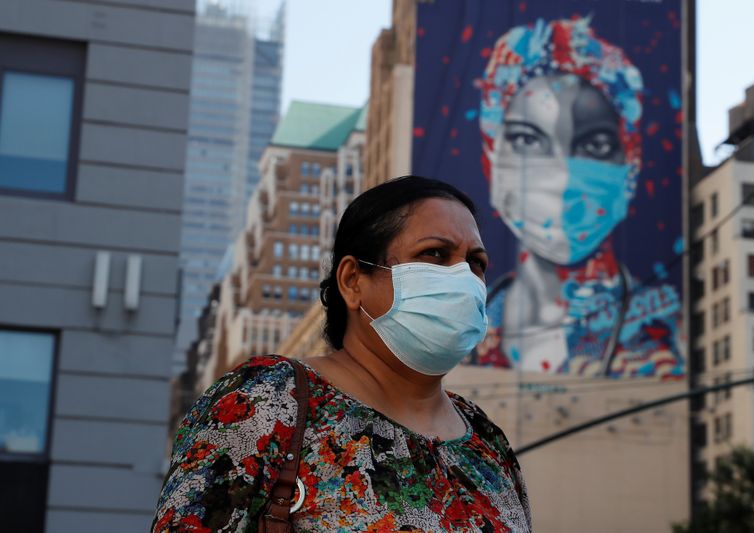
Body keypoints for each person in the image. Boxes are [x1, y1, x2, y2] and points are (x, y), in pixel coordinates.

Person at [152, 176, 533, 532]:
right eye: (435, 254)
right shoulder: (267, 400)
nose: (464, 279)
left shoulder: (486, 442)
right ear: (353, 281)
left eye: (476, 264)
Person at [474, 17, 684, 379]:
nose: (562, 178)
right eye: (527, 140)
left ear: (630, 167)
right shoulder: (462, 332)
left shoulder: (662, 341)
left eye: (596, 145)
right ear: (491, 157)